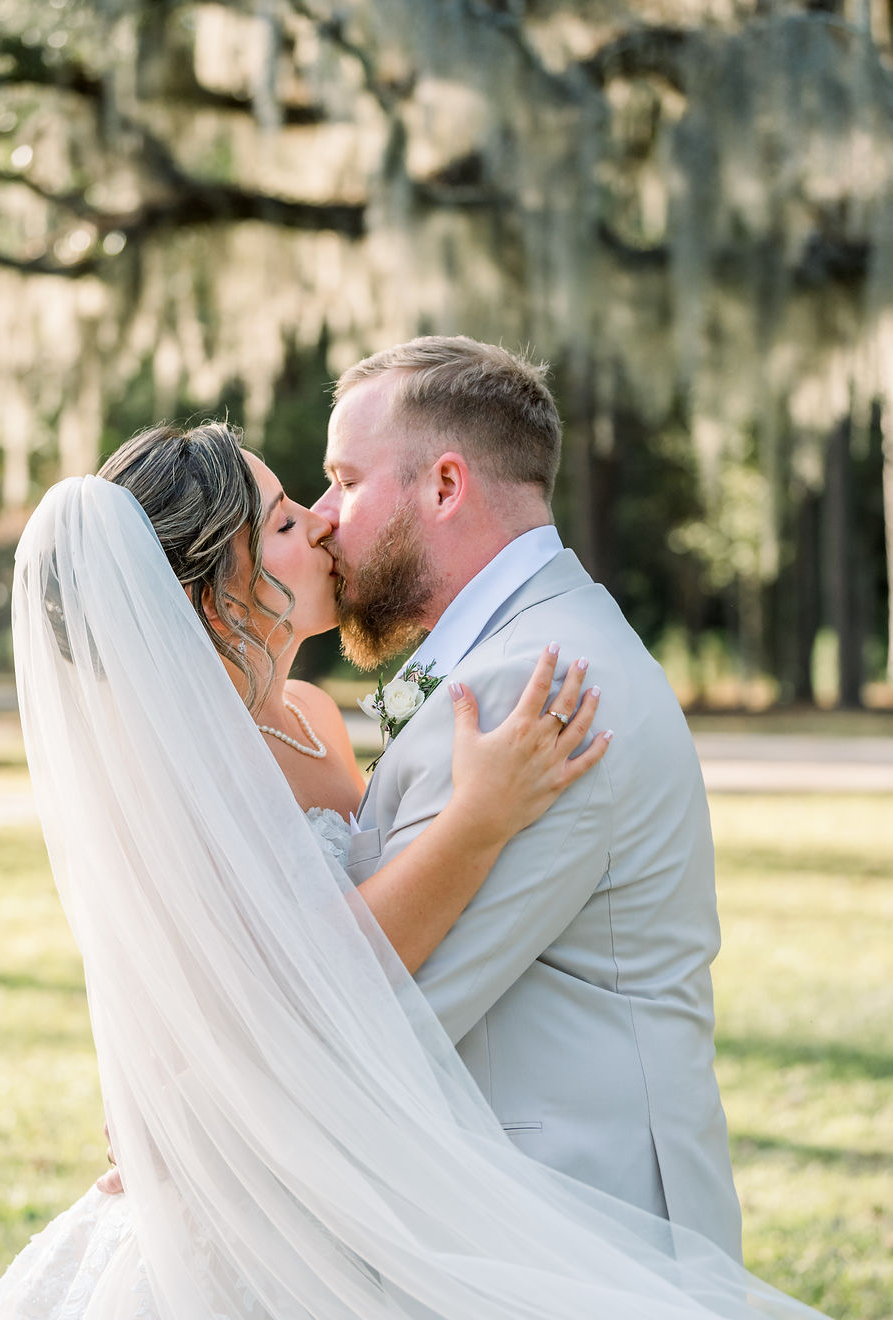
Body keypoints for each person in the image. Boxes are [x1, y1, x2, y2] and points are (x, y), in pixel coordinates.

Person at [0, 425, 892, 1320]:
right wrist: (477, 818)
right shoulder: (175, 768)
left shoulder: (305, 715)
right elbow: (317, 984)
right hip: (243, 1232)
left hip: (333, 1195)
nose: (324, 522)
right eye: (287, 519)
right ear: (214, 588)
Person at [316, 337, 742, 1259]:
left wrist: (188, 1109)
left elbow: (404, 999)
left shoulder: (537, 684)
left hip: (570, 1242)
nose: (322, 520)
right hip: (556, 1237)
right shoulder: (539, 644)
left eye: (345, 482)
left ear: (443, 485)